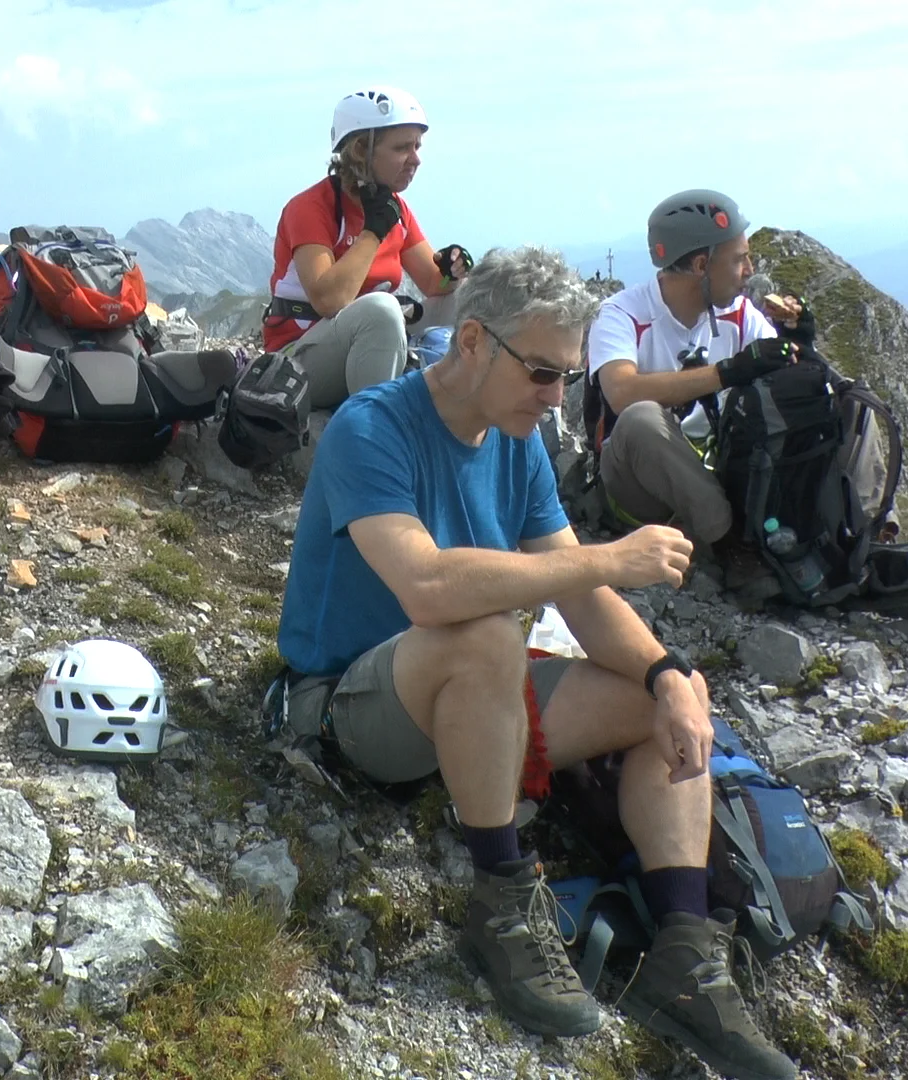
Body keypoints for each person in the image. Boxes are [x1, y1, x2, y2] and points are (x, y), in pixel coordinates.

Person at [276, 246, 797, 1080]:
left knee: (660, 696)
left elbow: (587, 605)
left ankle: (686, 957)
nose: (559, 397)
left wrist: (668, 676)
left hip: (468, 700)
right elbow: (427, 585)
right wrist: (603, 559)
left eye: (568, 375)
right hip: (354, 706)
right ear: (473, 341)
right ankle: (504, 898)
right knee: (485, 631)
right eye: (545, 373)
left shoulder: (512, 438)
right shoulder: (369, 428)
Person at [582, 189, 800, 549]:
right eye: (739, 260)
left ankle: (861, 533)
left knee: (840, 394)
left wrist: (800, 344)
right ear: (701, 266)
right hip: (640, 489)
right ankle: (732, 544)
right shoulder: (621, 314)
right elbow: (621, 392)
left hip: (721, 470)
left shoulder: (741, 315)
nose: (749, 271)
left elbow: (787, 380)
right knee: (641, 419)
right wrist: (723, 374)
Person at [262, 86, 475, 409]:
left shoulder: (396, 210)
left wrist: (452, 270)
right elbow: (328, 299)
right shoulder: (311, 207)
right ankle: (374, 435)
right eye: (402, 148)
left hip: (367, 342)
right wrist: (373, 233)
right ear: (361, 149)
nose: (416, 159)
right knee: (382, 310)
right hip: (297, 361)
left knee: (473, 298)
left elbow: (434, 284)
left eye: (417, 146)